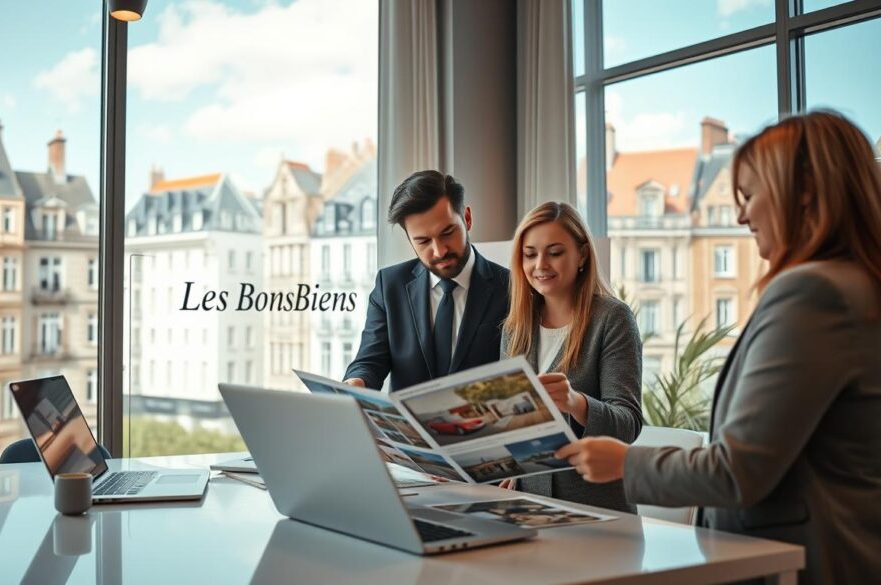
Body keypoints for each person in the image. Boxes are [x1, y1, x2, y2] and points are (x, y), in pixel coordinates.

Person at [556, 111, 881, 585]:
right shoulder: (857, 285)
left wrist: (623, 463)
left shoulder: (814, 293)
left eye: (750, 196)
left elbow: (738, 469)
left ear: (805, 190)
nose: (743, 215)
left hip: (803, 563)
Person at [496, 201, 642, 513]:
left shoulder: (612, 318)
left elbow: (628, 425)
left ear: (583, 255)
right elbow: (512, 425)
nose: (541, 264)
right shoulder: (515, 329)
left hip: (598, 512)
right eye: (530, 253)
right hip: (531, 510)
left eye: (555, 252)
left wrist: (576, 403)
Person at [343, 170, 510, 391]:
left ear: (467, 218)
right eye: (423, 241)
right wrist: (356, 382)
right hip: (407, 426)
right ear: (409, 238)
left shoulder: (511, 287)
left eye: (448, 232)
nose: (439, 251)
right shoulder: (390, 285)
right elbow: (369, 361)